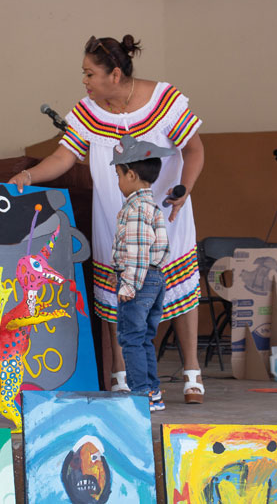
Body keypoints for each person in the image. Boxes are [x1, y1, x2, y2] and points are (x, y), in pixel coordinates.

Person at [9, 34, 206, 403]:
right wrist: (29, 175)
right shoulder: (88, 111)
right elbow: (63, 157)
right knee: (120, 295)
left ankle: (192, 373)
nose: (84, 81)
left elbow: (195, 150)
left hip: (167, 212)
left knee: (178, 289)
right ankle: (122, 374)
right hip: (113, 217)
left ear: (115, 74)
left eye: (89, 74)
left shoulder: (164, 101)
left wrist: (184, 188)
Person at [109, 135, 173, 411]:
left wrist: (128, 285)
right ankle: (152, 393)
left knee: (131, 339)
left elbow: (137, 251)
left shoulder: (134, 209)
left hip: (140, 280)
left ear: (131, 175)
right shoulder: (152, 206)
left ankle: (140, 394)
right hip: (155, 279)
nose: (118, 182)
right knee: (144, 337)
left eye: (119, 175)